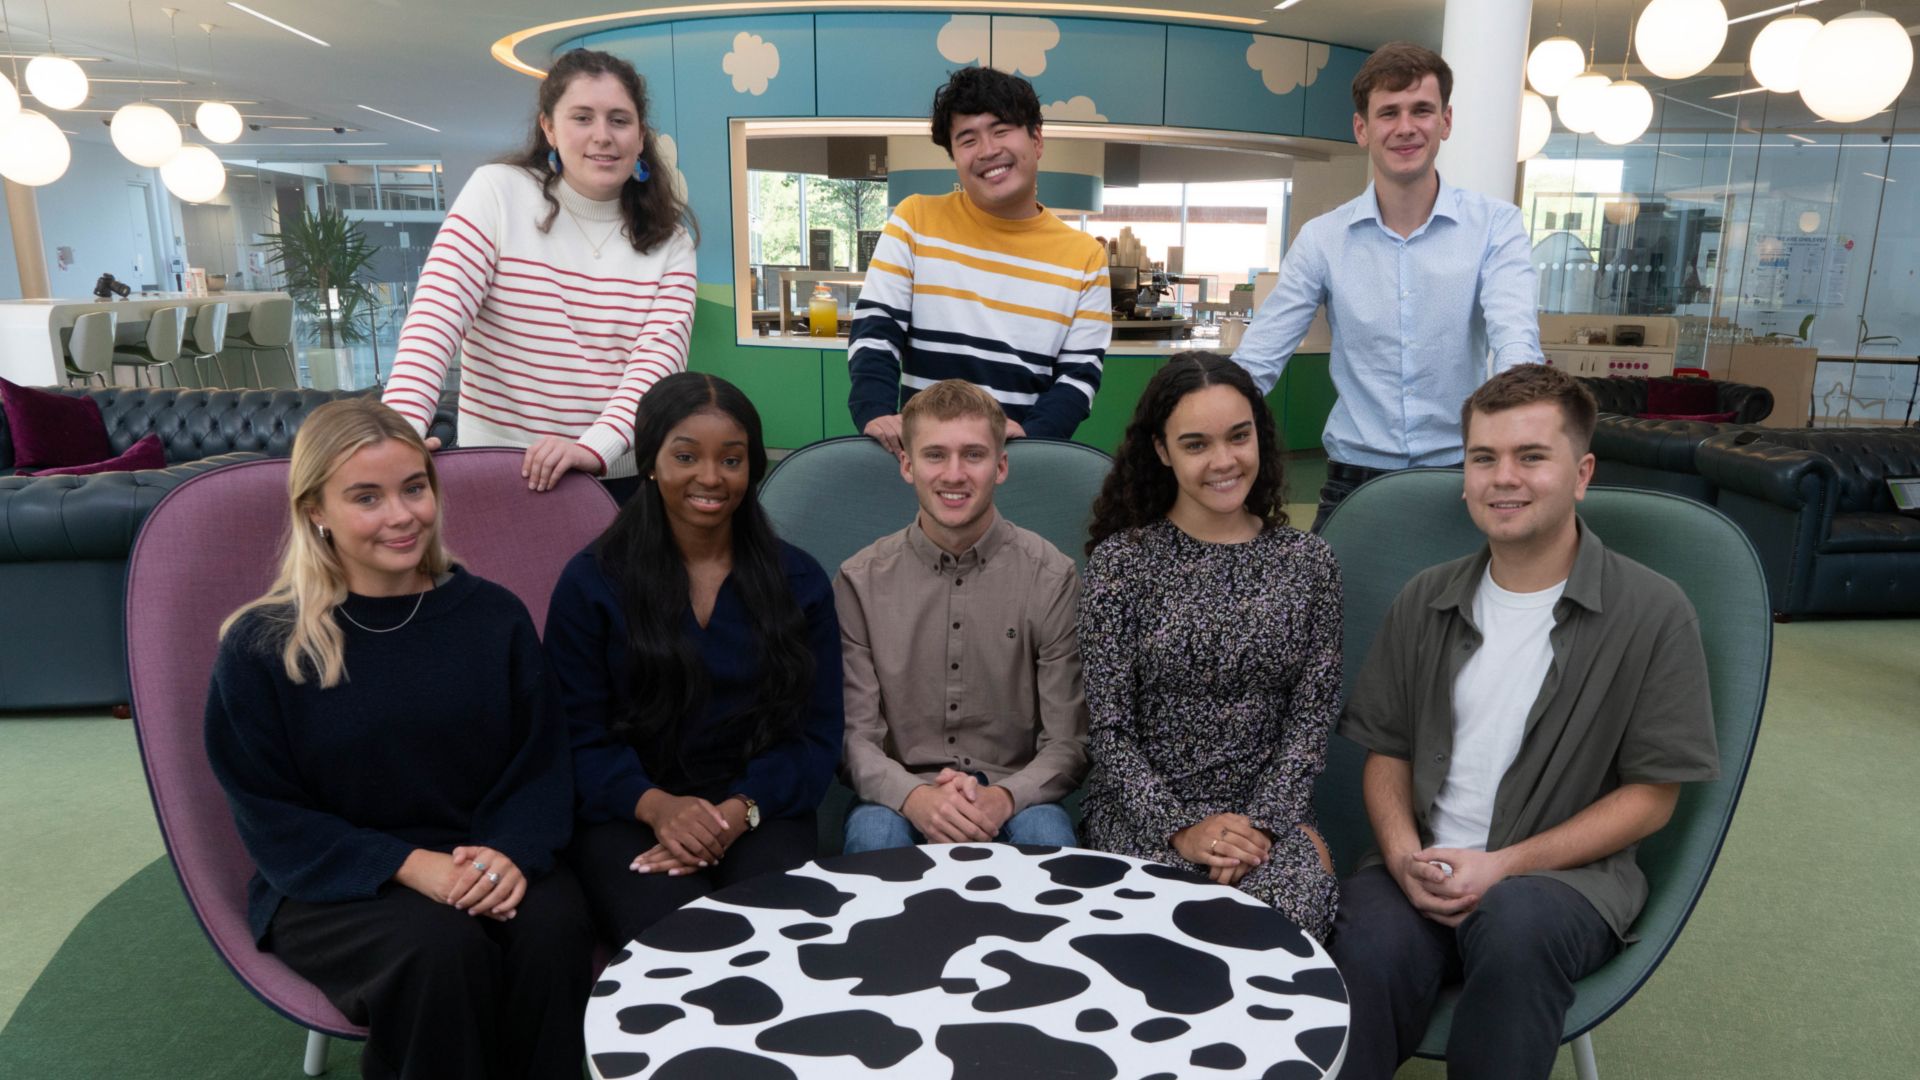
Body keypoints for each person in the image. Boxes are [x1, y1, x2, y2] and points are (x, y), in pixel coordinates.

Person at [1329, 364, 1718, 1079]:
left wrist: (1503, 867)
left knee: (1515, 927)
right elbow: (1388, 752)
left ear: (1581, 473)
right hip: (1425, 864)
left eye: (1531, 456)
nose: (1503, 478)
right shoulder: (1425, 599)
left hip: (1561, 885)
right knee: (1361, 936)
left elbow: (1653, 797)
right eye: (1484, 458)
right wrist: (1403, 858)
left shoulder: (1654, 612)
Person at [204, 398, 590, 1080]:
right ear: (315, 510)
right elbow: (269, 811)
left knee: (552, 926)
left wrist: (511, 852)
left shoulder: (492, 616)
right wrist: (410, 865)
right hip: (335, 881)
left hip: (486, 852)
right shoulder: (262, 645)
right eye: (366, 497)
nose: (402, 515)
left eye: (414, 488)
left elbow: (540, 762)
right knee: (440, 949)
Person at [544, 371, 843, 948]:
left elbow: (815, 734)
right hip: (626, 810)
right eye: (686, 456)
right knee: (676, 937)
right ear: (651, 463)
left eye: (731, 460)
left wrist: (736, 813)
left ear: (752, 467)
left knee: (781, 936)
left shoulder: (798, 580)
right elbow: (573, 735)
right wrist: (658, 808)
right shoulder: (591, 582)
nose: (711, 477)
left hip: (760, 807)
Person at [1076, 352, 1342, 941]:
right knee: (1159, 930)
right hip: (1144, 817)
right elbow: (1109, 730)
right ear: (1162, 450)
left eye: (1238, 436)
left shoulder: (1308, 563)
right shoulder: (1122, 564)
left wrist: (1260, 827)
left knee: (1279, 923)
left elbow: (1309, 723)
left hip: (1267, 819)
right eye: (1196, 444)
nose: (1224, 461)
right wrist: (1181, 829)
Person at [1230, 42, 1542, 531]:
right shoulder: (1322, 238)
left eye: (1422, 110)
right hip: (1352, 478)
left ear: (1446, 121)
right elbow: (1259, 357)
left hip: (1462, 474)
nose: (1405, 127)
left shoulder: (1495, 226)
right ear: (1362, 129)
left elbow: (1515, 341)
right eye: (1388, 112)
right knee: (1329, 586)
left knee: (1473, 587)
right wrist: (1204, 420)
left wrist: (1515, 438)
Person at [382, 48, 697, 501]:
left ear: (641, 135)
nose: (602, 136)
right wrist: (398, 435)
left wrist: (592, 449)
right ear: (549, 127)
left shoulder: (672, 243)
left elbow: (657, 368)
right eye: (582, 118)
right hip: (498, 469)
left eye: (619, 120)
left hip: (614, 475)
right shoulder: (497, 192)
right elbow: (436, 318)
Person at [835, 379, 1088, 852]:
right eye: (935, 455)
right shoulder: (860, 580)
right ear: (907, 465)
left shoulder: (1052, 577)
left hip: (1016, 793)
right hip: (898, 794)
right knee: (874, 836)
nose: (954, 474)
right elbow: (855, 738)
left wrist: (1003, 798)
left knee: (1046, 835)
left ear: (1001, 465)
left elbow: (1068, 741)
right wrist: (914, 797)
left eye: (973, 455)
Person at [847, 66, 1111, 455]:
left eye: (1001, 130)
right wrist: (875, 410)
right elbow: (877, 330)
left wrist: (1033, 437)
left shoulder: (1085, 257)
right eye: (968, 139)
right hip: (925, 458)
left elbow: (1078, 377)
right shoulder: (915, 220)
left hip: (1018, 460)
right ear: (954, 156)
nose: (987, 150)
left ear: (1037, 139)